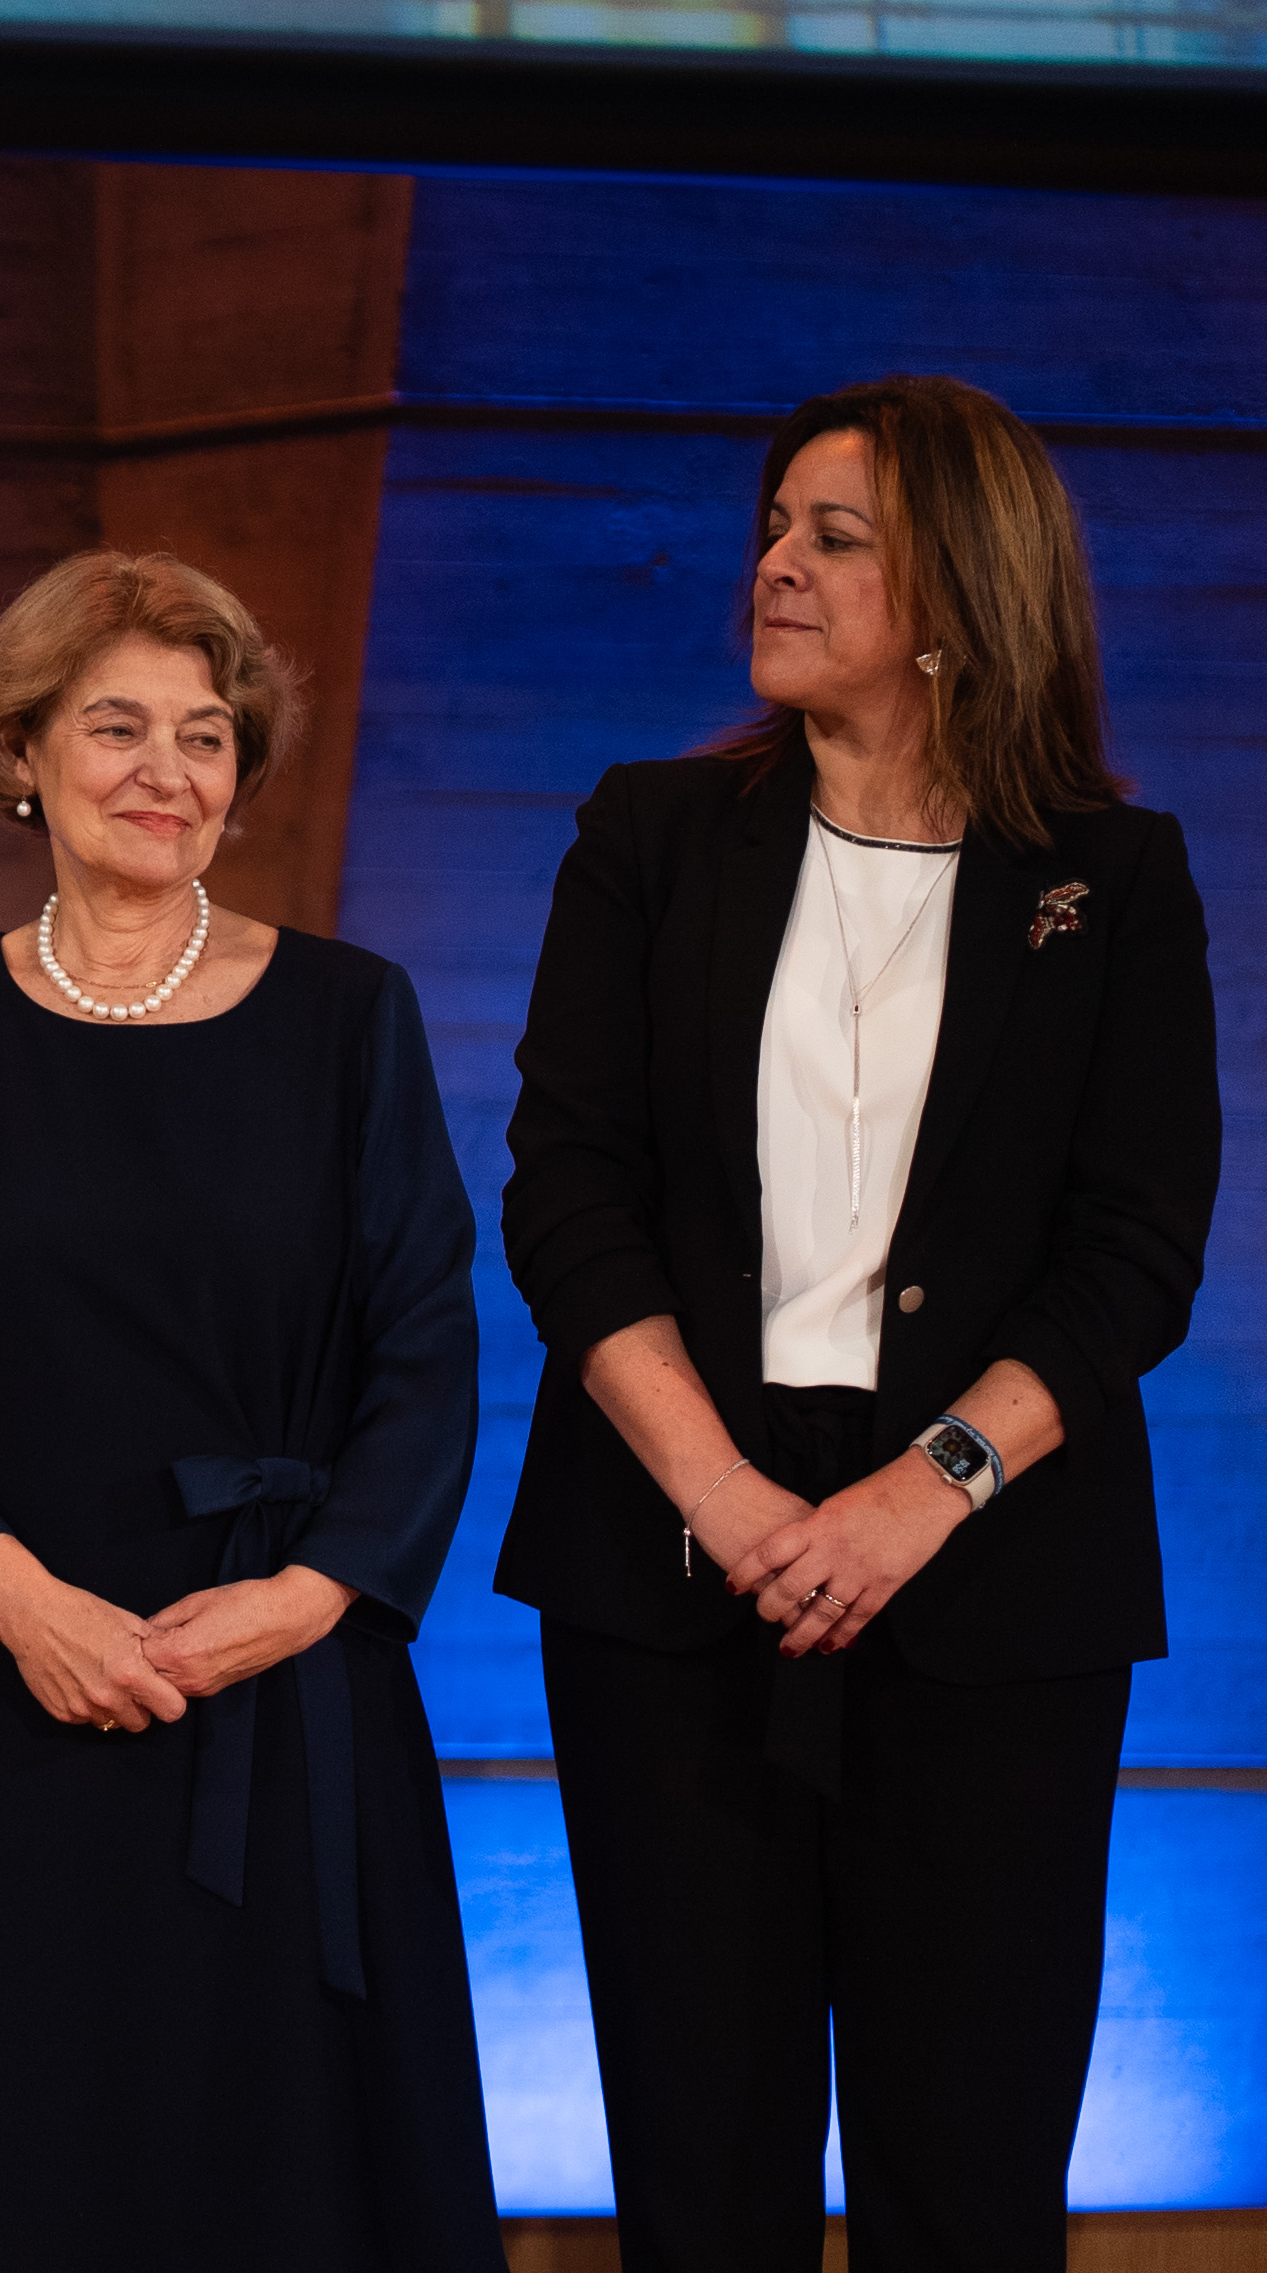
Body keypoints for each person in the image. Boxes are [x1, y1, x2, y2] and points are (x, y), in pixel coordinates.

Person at [497, 374, 1215, 2273]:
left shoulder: (1111, 879)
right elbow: (566, 1198)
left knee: (965, 2176)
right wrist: (720, 1494)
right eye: (771, 528)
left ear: (962, 587)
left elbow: (1137, 1250)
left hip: (989, 1562)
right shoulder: (650, 832)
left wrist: (927, 1487)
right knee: (696, 2168)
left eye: (833, 537)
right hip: (677, 1554)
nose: (774, 565)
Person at [0, 550, 502, 2271]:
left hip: (277, 1674)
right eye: (115, 726)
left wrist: (305, 1597)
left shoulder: (352, 1014)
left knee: (278, 2194)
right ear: (20, 750)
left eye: (204, 735)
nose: (166, 769)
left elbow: (425, 1344)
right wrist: (21, 1603)